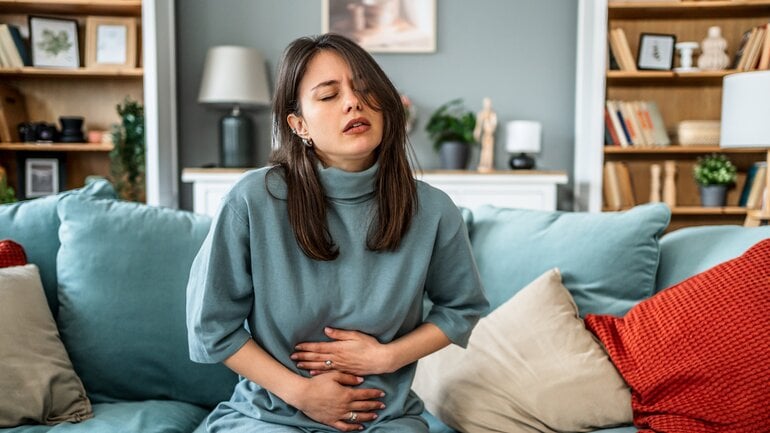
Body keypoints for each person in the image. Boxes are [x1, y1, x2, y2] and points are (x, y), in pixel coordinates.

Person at [186, 33, 488, 433]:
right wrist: (302, 394)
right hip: (270, 416)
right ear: (299, 125)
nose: (353, 102)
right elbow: (211, 327)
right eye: (329, 95)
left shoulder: (432, 210)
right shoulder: (252, 199)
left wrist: (388, 357)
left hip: (386, 420)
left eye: (365, 89)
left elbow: (462, 308)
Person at [474, 97, 497, 172]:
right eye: (486, 103)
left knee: (489, 150)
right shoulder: (481, 114)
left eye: (489, 103)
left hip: (490, 135)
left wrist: (490, 127)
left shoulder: (492, 114)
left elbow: (494, 124)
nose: (487, 105)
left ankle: (489, 164)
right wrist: (477, 133)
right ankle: (483, 163)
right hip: (484, 135)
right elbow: (478, 125)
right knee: (484, 150)